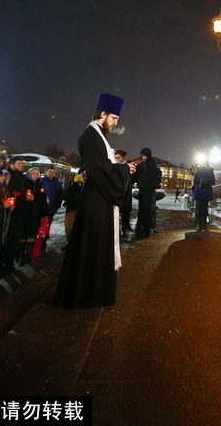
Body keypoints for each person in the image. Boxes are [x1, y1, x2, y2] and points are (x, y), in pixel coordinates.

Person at [52, 93, 135, 308]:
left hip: (100, 199)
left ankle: (93, 293)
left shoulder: (98, 135)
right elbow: (100, 170)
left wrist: (124, 169)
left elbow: (105, 168)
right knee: (93, 247)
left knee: (96, 247)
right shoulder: (90, 136)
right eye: (114, 118)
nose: (116, 123)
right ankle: (86, 294)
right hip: (95, 202)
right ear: (103, 113)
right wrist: (124, 169)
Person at [6, 156, 36, 267]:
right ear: (11, 165)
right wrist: (24, 197)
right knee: (9, 239)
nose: (21, 166)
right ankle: (5, 262)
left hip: (22, 212)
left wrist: (30, 195)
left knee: (16, 239)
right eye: (19, 164)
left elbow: (27, 190)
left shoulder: (22, 178)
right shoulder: (8, 177)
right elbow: (10, 193)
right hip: (12, 213)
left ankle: (10, 262)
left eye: (22, 164)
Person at [134, 147, 162, 239]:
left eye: (145, 155)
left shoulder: (152, 165)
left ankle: (145, 230)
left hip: (148, 189)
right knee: (142, 210)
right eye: (142, 155)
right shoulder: (144, 164)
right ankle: (141, 228)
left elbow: (151, 176)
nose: (143, 157)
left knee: (146, 210)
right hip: (143, 188)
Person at [41, 166, 64, 252]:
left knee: (48, 226)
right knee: (41, 226)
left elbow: (60, 194)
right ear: (46, 172)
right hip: (43, 208)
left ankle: (44, 242)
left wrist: (57, 205)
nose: (52, 173)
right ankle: (41, 244)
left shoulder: (57, 183)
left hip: (52, 208)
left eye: (53, 171)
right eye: (50, 171)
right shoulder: (42, 182)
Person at [62, 171, 84, 249]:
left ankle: (75, 242)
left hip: (79, 210)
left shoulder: (84, 187)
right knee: (68, 226)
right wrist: (72, 186)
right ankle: (70, 242)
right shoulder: (71, 186)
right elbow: (64, 196)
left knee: (78, 227)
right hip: (72, 209)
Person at [191, 160, 216, 230]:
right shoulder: (210, 171)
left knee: (198, 207)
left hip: (199, 191)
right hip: (207, 191)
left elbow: (195, 181)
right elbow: (213, 181)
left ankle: (198, 224)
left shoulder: (198, 170)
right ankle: (204, 223)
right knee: (205, 208)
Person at [114, 150, 133, 236]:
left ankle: (125, 228)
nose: (117, 159)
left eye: (118, 157)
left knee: (125, 212)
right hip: (119, 192)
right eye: (116, 158)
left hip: (126, 192)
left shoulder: (128, 166)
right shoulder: (115, 166)